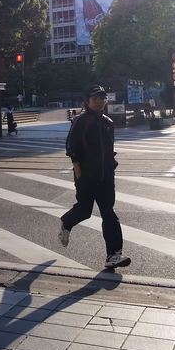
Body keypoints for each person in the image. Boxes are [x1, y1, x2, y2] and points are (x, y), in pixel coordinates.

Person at [59, 85, 131, 270]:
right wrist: (78, 171)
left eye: (101, 98)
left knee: (109, 214)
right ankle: (67, 222)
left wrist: (110, 169)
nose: (98, 101)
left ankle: (114, 255)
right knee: (84, 211)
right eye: (95, 98)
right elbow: (71, 147)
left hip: (106, 176)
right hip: (87, 175)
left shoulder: (107, 122)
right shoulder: (81, 121)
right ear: (87, 101)